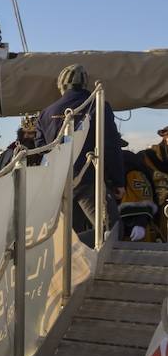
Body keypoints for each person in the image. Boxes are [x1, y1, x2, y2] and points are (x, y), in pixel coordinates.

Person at [35, 64, 124, 244]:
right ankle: (72, 247)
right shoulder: (98, 105)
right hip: (88, 181)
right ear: (85, 84)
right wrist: (118, 181)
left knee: (68, 231)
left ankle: (68, 253)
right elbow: (111, 145)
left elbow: (42, 150)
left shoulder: (45, 113)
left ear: (60, 85)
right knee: (110, 232)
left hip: (59, 183)